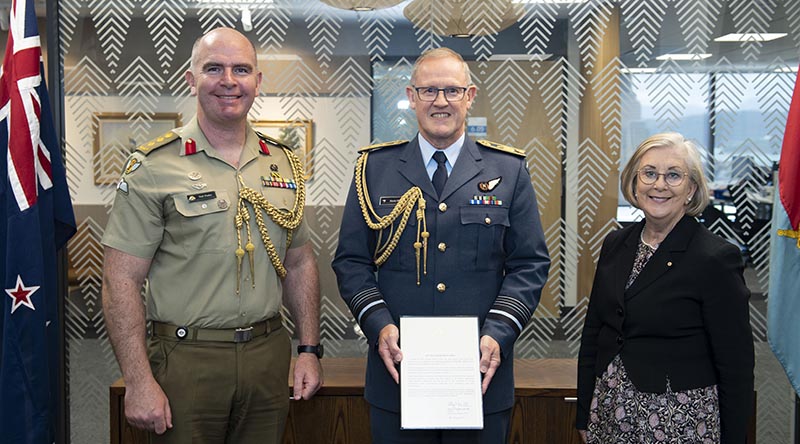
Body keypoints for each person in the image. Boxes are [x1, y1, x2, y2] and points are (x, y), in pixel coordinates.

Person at [101, 27, 322, 443]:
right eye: (213, 68)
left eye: (241, 69)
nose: (228, 81)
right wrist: (137, 380)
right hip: (186, 359)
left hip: (266, 354)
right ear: (191, 79)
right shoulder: (153, 166)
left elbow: (299, 261)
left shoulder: (283, 163)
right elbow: (121, 280)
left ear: (258, 81)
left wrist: (309, 350)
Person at [332, 47, 550, 443]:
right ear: (411, 97)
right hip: (397, 376)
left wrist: (498, 331)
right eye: (429, 91)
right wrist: (379, 325)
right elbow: (351, 261)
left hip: (480, 375)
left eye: (451, 90)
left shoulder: (508, 170)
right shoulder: (375, 169)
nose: (440, 102)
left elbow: (529, 264)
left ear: (470, 96)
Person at [576, 132, 754, 443]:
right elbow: (594, 332)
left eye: (673, 175)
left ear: (691, 189)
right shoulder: (616, 243)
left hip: (679, 420)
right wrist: (583, 412)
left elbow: (736, 363)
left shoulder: (715, 258)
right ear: (634, 182)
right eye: (649, 173)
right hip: (610, 412)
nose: (659, 184)